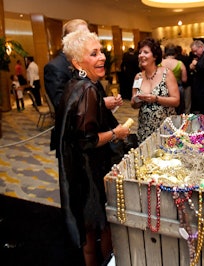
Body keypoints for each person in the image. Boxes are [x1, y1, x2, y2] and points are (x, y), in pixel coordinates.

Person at [55, 29, 130, 266]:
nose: (102, 58)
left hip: (77, 168)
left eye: (101, 52)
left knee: (89, 230)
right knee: (102, 226)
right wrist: (116, 133)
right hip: (90, 172)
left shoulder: (76, 84)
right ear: (77, 62)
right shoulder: (88, 89)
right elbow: (87, 140)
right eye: (93, 54)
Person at [45, 18, 122, 151]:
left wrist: (110, 103)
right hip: (77, 140)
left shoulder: (92, 60)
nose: (87, 38)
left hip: (99, 133)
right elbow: (62, 105)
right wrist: (102, 103)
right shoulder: (55, 67)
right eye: (81, 36)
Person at [131, 37, 180, 144]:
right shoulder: (138, 77)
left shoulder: (166, 73)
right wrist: (137, 100)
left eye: (146, 52)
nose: (141, 55)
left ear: (155, 56)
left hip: (165, 129)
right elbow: (133, 105)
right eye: (140, 52)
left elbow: (176, 101)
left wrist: (156, 98)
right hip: (145, 129)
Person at [161, 43, 187, 114]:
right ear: (176, 53)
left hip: (163, 89)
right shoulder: (180, 63)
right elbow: (184, 79)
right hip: (178, 89)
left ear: (165, 53)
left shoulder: (160, 63)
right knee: (179, 111)